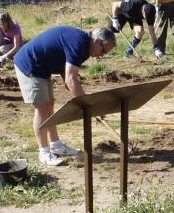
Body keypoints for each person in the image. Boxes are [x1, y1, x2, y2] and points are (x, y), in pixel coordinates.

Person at [14, 25, 116, 166]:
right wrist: (89, 107)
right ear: (97, 41)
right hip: (29, 64)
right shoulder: (79, 43)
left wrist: (86, 104)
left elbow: (67, 75)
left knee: (49, 104)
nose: (102, 55)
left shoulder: (85, 48)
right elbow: (70, 79)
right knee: (42, 108)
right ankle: (43, 152)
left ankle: (56, 146)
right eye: (103, 51)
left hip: (42, 67)